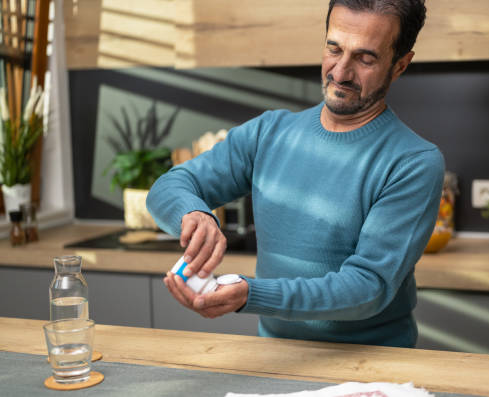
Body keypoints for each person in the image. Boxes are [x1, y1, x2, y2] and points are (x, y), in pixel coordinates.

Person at [146, 0, 444, 348]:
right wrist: (193, 213)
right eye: (334, 49)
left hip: (373, 365)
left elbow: (367, 287)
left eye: (365, 58)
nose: (341, 72)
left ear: (399, 65)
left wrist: (251, 294)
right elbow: (169, 186)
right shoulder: (268, 134)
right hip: (277, 359)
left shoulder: (413, 162)